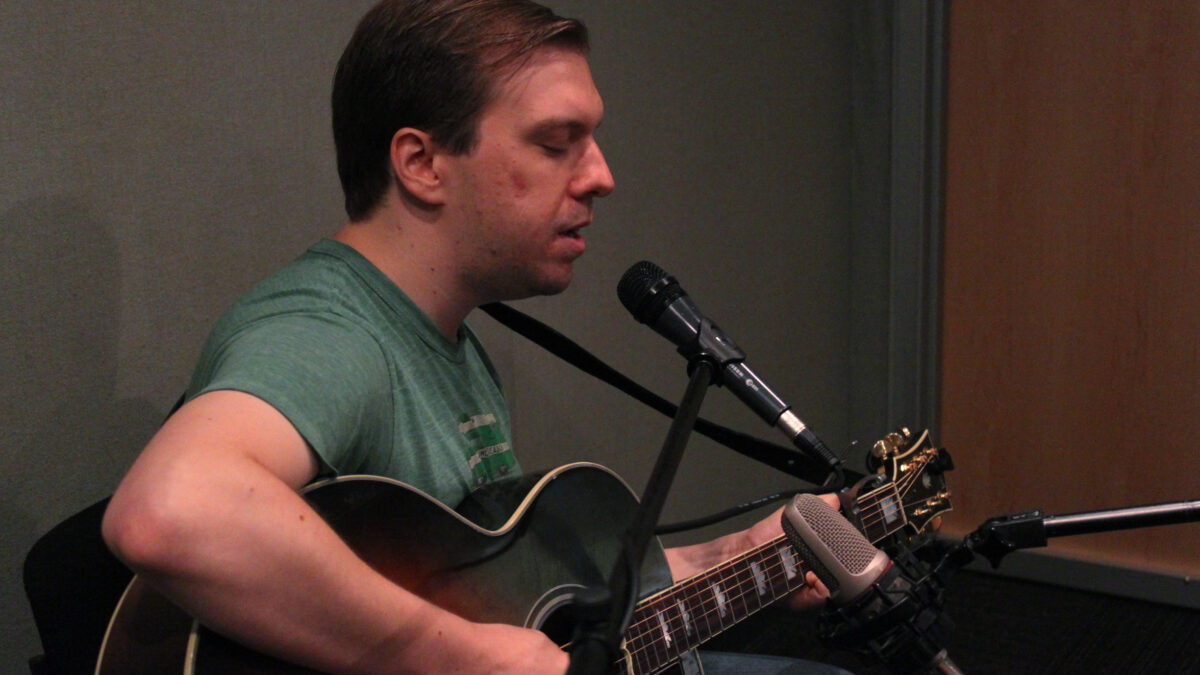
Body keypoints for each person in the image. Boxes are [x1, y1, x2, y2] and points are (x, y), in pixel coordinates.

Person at [102, 1, 848, 673]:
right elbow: (171, 510)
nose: (601, 175)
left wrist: (732, 557)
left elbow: (516, 607)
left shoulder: (448, 341)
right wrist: (459, 656)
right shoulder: (330, 334)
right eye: (556, 142)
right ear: (422, 164)